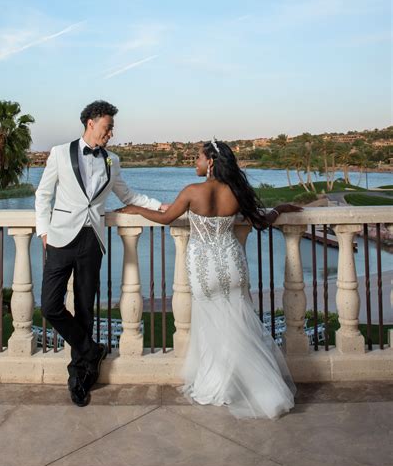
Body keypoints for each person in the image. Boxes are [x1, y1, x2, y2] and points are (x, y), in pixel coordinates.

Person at [118, 138, 301, 420]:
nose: (195, 162)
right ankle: (254, 387)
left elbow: (165, 218)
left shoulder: (193, 192)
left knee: (210, 326)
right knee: (238, 325)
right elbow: (262, 221)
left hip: (203, 267)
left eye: (198, 158)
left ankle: (216, 385)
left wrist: (136, 209)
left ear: (211, 162)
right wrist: (282, 207)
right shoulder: (237, 192)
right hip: (232, 263)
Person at [35, 100, 165, 407]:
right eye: (108, 126)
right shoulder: (59, 153)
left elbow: (127, 195)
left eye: (112, 128)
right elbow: (43, 194)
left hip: (92, 239)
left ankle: (81, 374)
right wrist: (43, 230)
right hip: (59, 238)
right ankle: (90, 349)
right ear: (91, 123)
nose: (111, 133)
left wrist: (160, 206)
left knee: (85, 309)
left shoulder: (112, 161)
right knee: (50, 305)